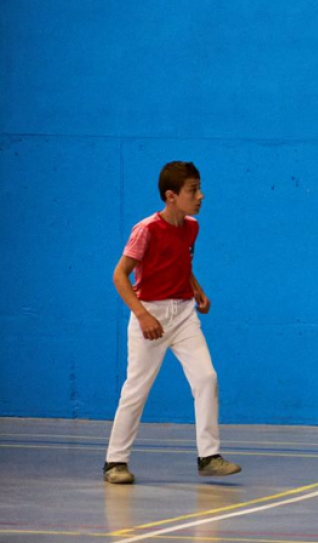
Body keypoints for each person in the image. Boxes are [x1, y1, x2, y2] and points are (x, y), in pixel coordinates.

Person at [103, 161, 241, 484]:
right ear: (171, 196)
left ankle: (209, 456)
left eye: (199, 188)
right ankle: (115, 463)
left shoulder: (191, 227)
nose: (200, 195)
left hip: (184, 315)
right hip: (149, 313)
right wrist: (142, 315)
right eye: (193, 190)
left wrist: (198, 291)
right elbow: (119, 276)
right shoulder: (146, 230)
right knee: (137, 388)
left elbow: (181, 263)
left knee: (207, 377)